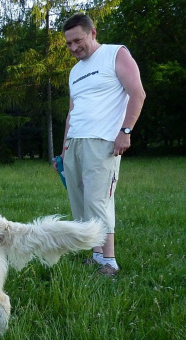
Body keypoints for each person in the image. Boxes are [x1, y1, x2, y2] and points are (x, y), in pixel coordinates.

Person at [58, 13, 146, 276]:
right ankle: (97, 255)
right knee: (82, 203)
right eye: (68, 44)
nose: (73, 48)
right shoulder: (75, 71)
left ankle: (109, 261)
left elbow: (137, 94)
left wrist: (125, 131)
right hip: (75, 142)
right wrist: (63, 150)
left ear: (93, 33)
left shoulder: (115, 54)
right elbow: (72, 112)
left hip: (102, 141)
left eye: (78, 41)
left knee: (99, 200)